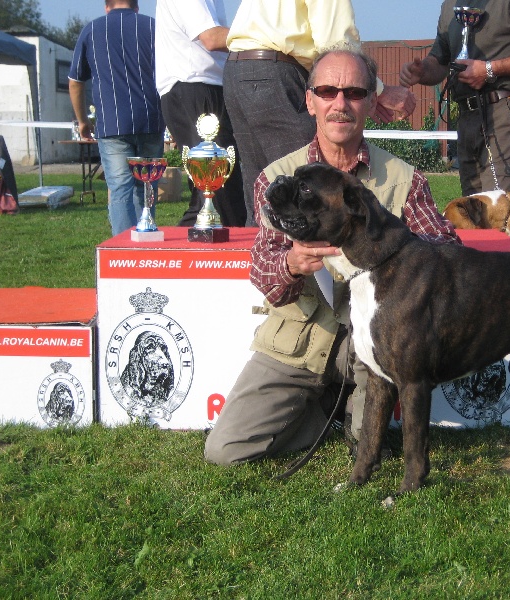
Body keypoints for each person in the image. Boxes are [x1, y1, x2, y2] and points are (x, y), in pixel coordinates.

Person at [204, 49, 460, 466]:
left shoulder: (406, 180)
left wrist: (398, 257)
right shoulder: (275, 178)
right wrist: (290, 264)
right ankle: (323, 415)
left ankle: (351, 418)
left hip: (374, 341)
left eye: (355, 92)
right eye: (327, 91)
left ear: (371, 103)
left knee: (368, 447)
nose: (340, 104)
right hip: (299, 341)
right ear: (309, 101)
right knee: (225, 450)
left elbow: (448, 258)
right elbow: (263, 270)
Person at [223, 0, 418, 226]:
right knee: (310, 182)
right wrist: (375, 90)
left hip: (238, 70)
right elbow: (337, 46)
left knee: (262, 197)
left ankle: (266, 256)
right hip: (277, 71)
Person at [399, 0, 510, 195]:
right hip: (467, 117)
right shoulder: (449, 6)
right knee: (472, 211)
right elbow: (440, 60)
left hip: (505, 113)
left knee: (499, 209)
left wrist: (489, 69)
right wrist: (422, 70)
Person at [68, 0, 165, 236]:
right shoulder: (154, 27)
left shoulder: (92, 30)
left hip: (112, 124)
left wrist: (82, 121)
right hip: (151, 119)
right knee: (147, 185)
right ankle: (147, 239)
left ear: (106, 7)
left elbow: (75, 82)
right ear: (136, 7)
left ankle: (124, 250)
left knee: (120, 188)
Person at [155, 0, 246, 227]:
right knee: (220, 195)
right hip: (195, 88)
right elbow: (212, 38)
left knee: (210, 197)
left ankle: (178, 259)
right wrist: (266, 38)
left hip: (201, 89)